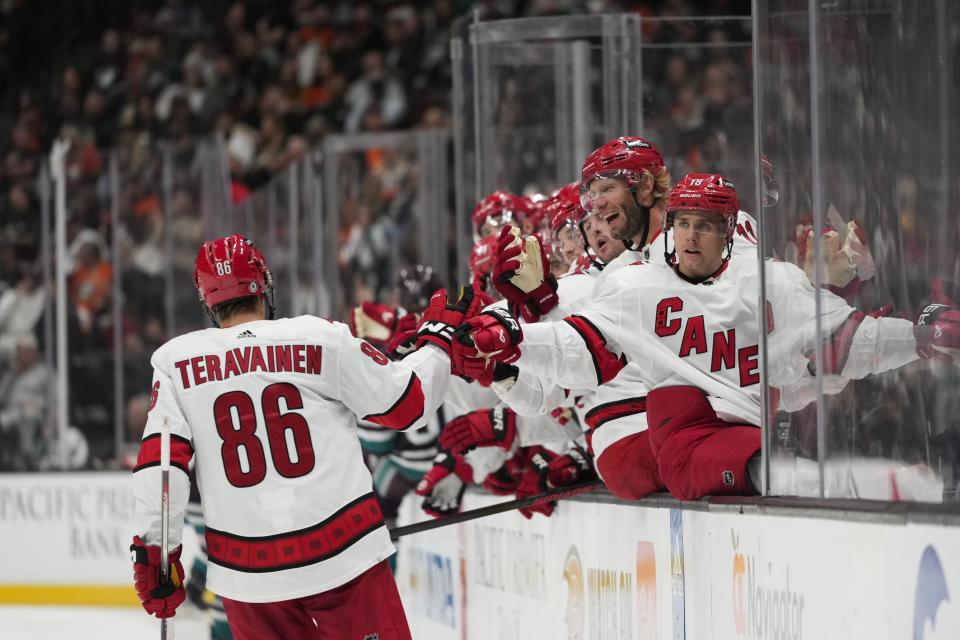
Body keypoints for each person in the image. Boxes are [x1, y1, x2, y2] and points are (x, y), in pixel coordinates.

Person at [454, 174, 959, 501]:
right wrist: (512, 344)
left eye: (707, 226)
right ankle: (865, 484)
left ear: (732, 233)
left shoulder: (769, 281)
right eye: (683, 224)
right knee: (685, 424)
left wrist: (919, 336)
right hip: (677, 438)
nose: (691, 237)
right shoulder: (633, 285)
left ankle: (860, 478)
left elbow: (846, 344)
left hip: (745, 426)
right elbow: (577, 356)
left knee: (760, 429)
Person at [131, 234, 479, 639]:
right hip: (343, 553)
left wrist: (155, 555)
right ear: (264, 286)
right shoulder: (321, 336)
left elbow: (161, 469)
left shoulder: (175, 362)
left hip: (247, 574)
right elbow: (407, 404)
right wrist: (437, 340)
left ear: (207, 300)